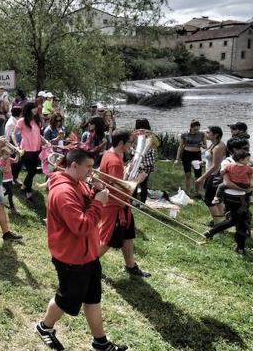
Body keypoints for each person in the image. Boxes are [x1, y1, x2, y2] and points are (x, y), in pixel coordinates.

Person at [36, 148, 127, 351]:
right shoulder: (63, 192)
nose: (91, 171)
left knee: (93, 298)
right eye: (88, 167)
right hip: (72, 257)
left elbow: (88, 208)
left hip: (88, 254)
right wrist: (98, 202)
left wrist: (95, 192)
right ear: (74, 166)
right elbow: (82, 225)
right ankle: (44, 327)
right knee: (67, 299)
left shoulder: (78, 183)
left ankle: (100, 342)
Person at [98, 129, 150, 277]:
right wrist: (137, 180)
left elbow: (116, 180)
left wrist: (127, 170)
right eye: (129, 143)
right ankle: (85, 265)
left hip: (122, 205)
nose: (131, 146)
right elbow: (119, 190)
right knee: (107, 240)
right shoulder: (114, 161)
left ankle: (131, 266)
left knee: (128, 235)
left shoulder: (110, 153)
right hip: (115, 205)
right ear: (121, 143)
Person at [13, 102, 49, 202]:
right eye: (34, 108)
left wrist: (45, 141)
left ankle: (25, 189)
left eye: (36, 107)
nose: (36, 109)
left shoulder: (37, 120)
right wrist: (17, 146)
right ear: (28, 109)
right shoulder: (22, 121)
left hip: (36, 149)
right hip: (26, 149)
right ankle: (26, 191)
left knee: (31, 172)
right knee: (32, 171)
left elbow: (38, 134)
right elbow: (13, 134)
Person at [195, 126, 227, 226]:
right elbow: (212, 161)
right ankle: (223, 220)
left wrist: (202, 178)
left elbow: (215, 166)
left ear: (216, 134)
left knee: (209, 199)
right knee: (216, 199)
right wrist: (202, 163)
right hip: (211, 175)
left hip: (215, 176)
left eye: (208, 132)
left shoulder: (218, 147)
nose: (206, 134)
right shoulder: (213, 144)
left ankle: (217, 223)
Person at [175, 120, 206, 197]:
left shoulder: (202, 134)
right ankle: (187, 192)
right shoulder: (184, 134)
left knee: (198, 174)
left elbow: (206, 146)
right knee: (188, 174)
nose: (197, 131)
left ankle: (197, 192)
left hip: (197, 155)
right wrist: (177, 159)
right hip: (186, 155)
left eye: (198, 129)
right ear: (191, 128)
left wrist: (202, 145)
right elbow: (181, 146)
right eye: (195, 129)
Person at [131, 119, 157, 203]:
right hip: (145, 163)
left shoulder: (149, 137)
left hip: (142, 163)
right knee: (143, 183)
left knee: (135, 182)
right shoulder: (151, 136)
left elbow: (132, 149)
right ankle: (142, 202)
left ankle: (135, 200)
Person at [0, 147, 19, 214]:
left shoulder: (8, 158)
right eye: (6, 154)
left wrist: (18, 154)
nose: (8, 156)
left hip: (9, 178)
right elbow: (4, 171)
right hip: (4, 180)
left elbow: (15, 161)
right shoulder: (0, 162)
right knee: (10, 193)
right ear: (2, 154)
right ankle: (12, 207)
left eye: (9, 154)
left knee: (8, 191)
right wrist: (7, 163)